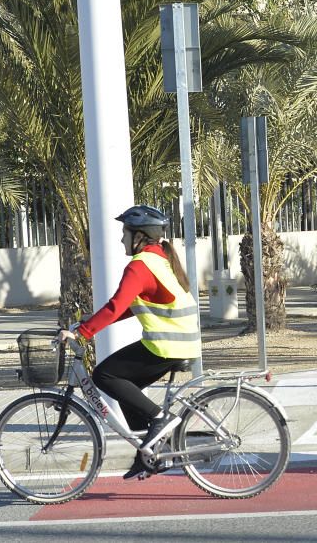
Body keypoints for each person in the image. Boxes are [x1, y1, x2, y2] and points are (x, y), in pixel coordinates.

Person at [59, 205, 201, 479]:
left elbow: (116, 305)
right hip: (178, 341)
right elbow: (128, 307)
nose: (121, 239)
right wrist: (89, 322)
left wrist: (82, 333)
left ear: (138, 236)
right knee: (126, 386)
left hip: (167, 344)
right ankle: (148, 456)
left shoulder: (139, 266)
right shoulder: (158, 259)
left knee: (104, 374)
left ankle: (161, 419)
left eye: (124, 233)